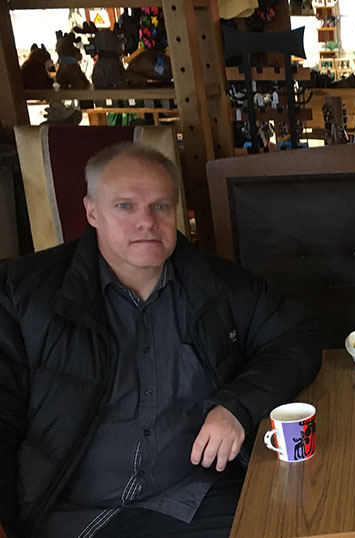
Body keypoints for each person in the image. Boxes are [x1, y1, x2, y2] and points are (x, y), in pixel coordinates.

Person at [0, 143, 321, 538]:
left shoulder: (219, 285)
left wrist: (236, 406)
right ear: (91, 212)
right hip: (68, 514)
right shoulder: (22, 295)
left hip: (191, 498)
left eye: (160, 206)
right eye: (125, 206)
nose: (146, 222)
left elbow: (298, 336)